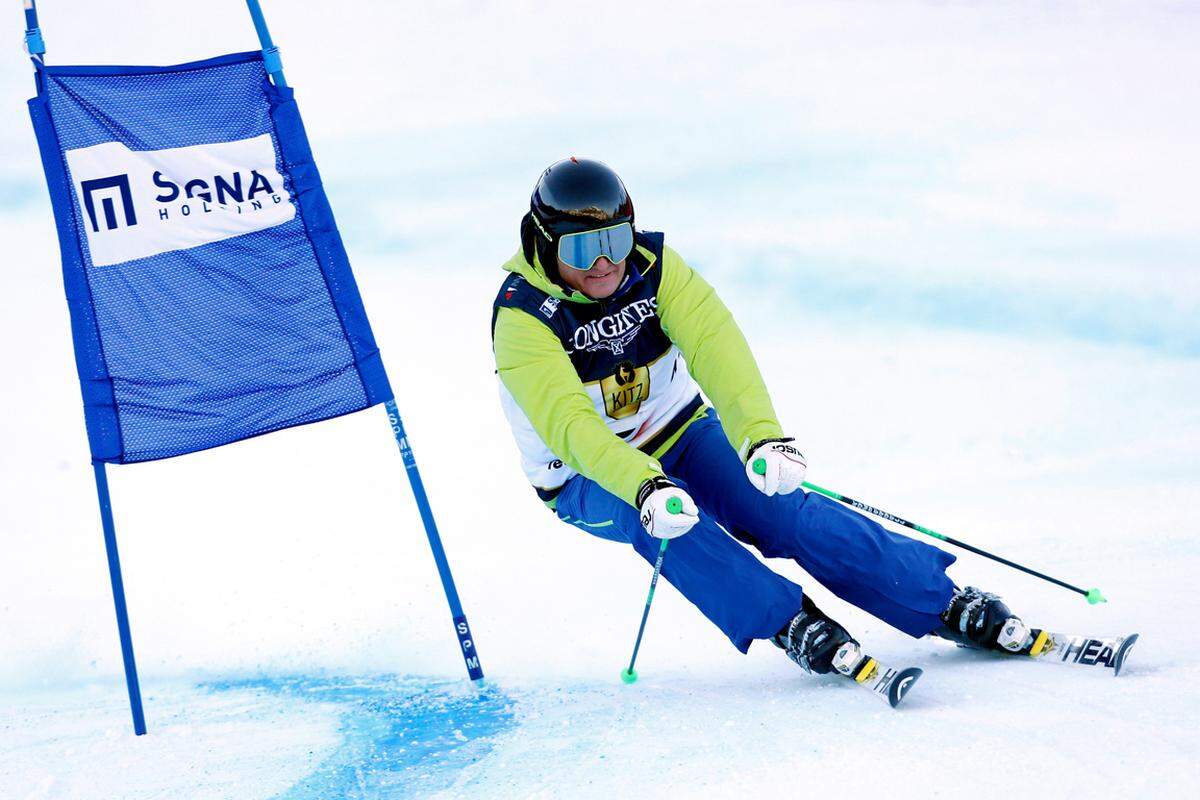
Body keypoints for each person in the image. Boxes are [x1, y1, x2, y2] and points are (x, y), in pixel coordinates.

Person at [491, 157, 1029, 679]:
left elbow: (715, 345)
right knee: (666, 526)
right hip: (582, 475)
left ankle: (938, 601)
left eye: (615, 240)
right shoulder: (523, 317)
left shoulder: (656, 267)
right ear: (544, 243)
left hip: (678, 430)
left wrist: (760, 438)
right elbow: (569, 424)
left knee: (782, 510)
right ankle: (786, 622)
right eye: (582, 248)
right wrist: (642, 485)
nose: (604, 262)